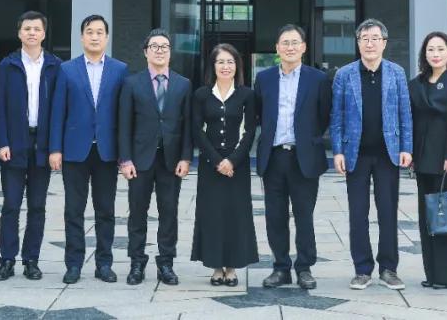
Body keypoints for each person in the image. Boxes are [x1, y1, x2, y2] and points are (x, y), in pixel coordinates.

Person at [331, 18, 413, 291]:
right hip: (355, 154)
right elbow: (337, 116)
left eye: (375, 38)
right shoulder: (345, 74)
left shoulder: (397, 73)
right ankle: (362, 269)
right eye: (364, 38)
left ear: (384, 43)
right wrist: (338, 151)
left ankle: (389, 269)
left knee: (388, 212)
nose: (369, 43)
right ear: (358, 43)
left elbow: (405, 113)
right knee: (358, 213)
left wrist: (406, 147)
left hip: (388, 153)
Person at [49, 14, 129, 284]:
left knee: (105, 210)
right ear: (82, 37)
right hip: (74, 150)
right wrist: (55, 148)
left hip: (107, 151)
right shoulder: (66, 70)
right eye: (89, 32)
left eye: (99, 32)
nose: (94, 36)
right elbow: (58, 112)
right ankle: (73, 264)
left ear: (107, 37)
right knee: (74, 210)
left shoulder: (120, 69)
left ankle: (104, 264)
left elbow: (123, 114)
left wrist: (124, 154)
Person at [254, 24, 332, 290]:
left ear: (304, 47)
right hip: (274, 157)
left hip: (303, 156)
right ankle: (281, 268)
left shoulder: (318, 79)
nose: (290, 47)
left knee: (304, 215)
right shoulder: (264, 78)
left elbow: (323, 115)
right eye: (285, 43)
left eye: (295, 42)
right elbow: (259, 113)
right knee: (275, 216)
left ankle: (304, 268)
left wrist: (309, 139)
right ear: (277, 48)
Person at [0, 11, 62, 282]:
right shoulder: (7, 66)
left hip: (42, 144)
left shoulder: (55, 66)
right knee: (11, 205)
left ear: (44, 33)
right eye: (27, 28)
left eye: (36, 29)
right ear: (19, 33)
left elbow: (59, 110)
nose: (32, 33)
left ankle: (31, 260)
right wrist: (1, 142)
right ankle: (7, 260)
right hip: (14, 143)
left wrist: (55, 148)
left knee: (37, 206)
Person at [118, 29, 192, 286]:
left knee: (169, 213)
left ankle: (166, 263)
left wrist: (186, 157)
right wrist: (125, 159)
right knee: (137, 213)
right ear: (145, 52)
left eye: (164, 46)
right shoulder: (132, 83)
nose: (160, 50)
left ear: (170, 52)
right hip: (139, 160)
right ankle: (136, 263)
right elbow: (124, 124)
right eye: (154, 46)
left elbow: (188, 125)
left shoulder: (183, 84)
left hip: (171, 161)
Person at [190, 43, 259, 286]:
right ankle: (216, 267)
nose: (225, 66)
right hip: (211, 166)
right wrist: (217, 161)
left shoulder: (246, 95)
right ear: (213, 66)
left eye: (230, 62)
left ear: (237, 66)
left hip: (237, 166)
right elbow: (197, 130)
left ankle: (232, 267)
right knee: (213, 215)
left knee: (235, 215)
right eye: (221, 62)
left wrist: (233, 160)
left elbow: (250, 131)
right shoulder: (201, 95)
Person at [408, 31, 447, 289]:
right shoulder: (416, 83)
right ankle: (431, 274)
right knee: (427, 219)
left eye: (440, 49)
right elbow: (411, 121)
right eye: (430, 49)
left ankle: (444, 276)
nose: (435, 54)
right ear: (424, 54)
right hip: (423, 160)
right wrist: (411, 154)